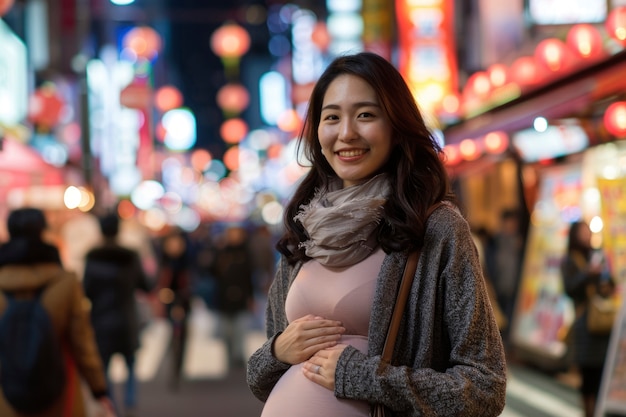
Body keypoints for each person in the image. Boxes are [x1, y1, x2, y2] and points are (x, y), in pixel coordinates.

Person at [246, 52, 507, 417]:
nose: (346, 133)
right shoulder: (305, 230)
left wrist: (363, 376)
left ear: (396, 126)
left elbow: (485, 388)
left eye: (366, 115)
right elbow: (261, 379)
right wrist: (275, 353)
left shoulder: (436, 228)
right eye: (332, 117)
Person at [0, 207, 116, 417]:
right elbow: (83, 343)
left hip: (7, 393)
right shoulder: (65, 282)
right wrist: (99, 389)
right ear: (43, 233)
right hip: (58, 391)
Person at [83, 213, 152, 417]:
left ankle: (111, 404)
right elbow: (145, 285)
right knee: (130, 363)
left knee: (105, 368)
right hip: (126, 317)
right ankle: (130, 400)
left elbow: (87, 290)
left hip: (101, 319)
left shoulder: (92, 257)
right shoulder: (130, 256)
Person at [560, 220, 615, 417]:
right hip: (584, 326)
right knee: (588, 378)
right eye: (583, 232)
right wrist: (587, 274)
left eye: (588, 232)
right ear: (574, 235)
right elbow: (569, 288)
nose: (587, 235)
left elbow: (609, 282)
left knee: (602, 375)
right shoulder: (570, 260)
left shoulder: (597, 254)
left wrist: (606, 284)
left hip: (602, 324)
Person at [210, 224, 256, 369]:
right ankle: (229, 355)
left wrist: (251, 297)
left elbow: (249, 277)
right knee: (225, 331)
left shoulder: (246, 252)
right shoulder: (221, 252)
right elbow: (213, 272)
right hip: (224, 298)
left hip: (241, 297)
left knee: (240, 330)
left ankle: (238, 356)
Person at [154, 227, 192, 390]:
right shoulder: (163, 261)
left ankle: (177, 371)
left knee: (181, 337)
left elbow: (190, 284)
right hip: (168, 304)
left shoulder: (186, 262)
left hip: (182, 303)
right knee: (172, 338)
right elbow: (158, 283)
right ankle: (172, 371)